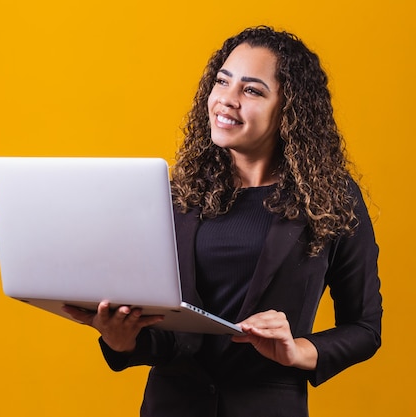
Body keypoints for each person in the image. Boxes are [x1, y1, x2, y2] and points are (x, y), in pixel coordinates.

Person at [63, 25, 382, 417]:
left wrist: (297, 350)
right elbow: (169, 336)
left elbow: (365, 329)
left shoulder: (332, 199)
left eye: (251, 90)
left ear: (289, 110)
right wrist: (121, 338)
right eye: (222, 82)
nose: (225, 101)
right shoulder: (175, 197)